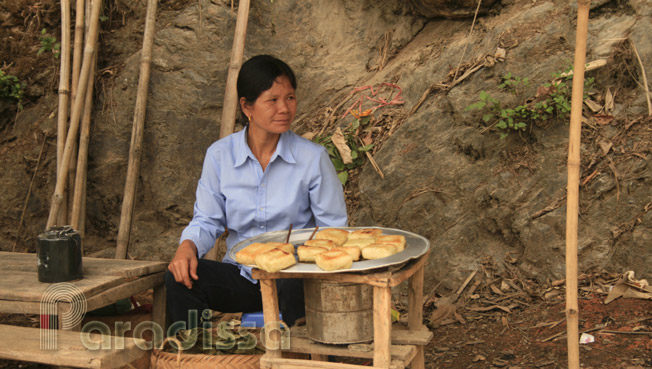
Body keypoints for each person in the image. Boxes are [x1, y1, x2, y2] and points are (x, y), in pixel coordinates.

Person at [165, 55, 348, 331]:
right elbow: (207, 220)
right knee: (181, 277)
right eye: (272, 100)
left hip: (294, 278)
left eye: (290, 97)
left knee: (290, 283)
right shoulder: (219, 156)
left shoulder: (312, 158)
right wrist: (187, 247)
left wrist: (298, 262)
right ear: (247, 106)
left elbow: (333, 230)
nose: (284, 108)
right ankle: (192, 356)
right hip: (244, 277)